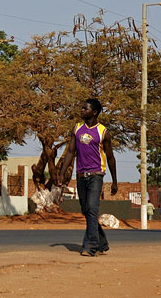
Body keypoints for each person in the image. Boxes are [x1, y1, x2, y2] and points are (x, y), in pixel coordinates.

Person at [57, 97, 118, 257]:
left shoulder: (103, 132)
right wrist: (62, 173)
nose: (82, 110)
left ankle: (90, 246)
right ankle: (102, 242)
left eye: (85, 108)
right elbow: (70, 152)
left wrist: (115, 181)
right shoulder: (77, 128)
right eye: (82, 108)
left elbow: (110, 157)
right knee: (86, 210)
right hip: (80, 175)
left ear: (94, 112)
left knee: (92, 208)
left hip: (96, 174)